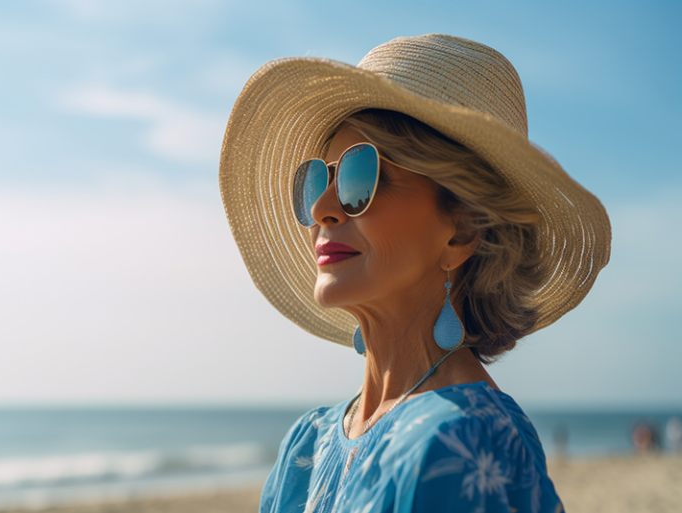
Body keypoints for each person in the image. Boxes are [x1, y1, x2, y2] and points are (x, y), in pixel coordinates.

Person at [219, 34, 610, 513]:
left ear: (462, 231)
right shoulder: (307, 444)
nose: (323, 208)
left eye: (360, 179)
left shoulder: (469, 442)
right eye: (318, 179)